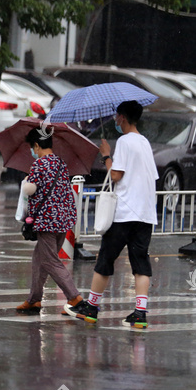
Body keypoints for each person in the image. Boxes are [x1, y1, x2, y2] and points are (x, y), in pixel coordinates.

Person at [65, 100, 157, 329]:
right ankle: (140, 313)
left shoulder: (125, 142)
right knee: (141, 263)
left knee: (105, 259)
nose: (115, 120)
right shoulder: (145, 142)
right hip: (145, 214)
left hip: (125, 212)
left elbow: (115, 176)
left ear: (123, 117)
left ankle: (92, 308)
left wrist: (106, 155)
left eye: (117, 116)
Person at [15, 128, 84, 315]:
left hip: (47, 222)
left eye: (32, 147)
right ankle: (34, 300)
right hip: (64, 219)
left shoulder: (39, 165)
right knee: (40, 259)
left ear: (37, 145)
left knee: (51, 261)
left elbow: (30, 190)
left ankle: (75, 297)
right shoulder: (61, 163)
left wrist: (26, 181)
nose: (32, 151)